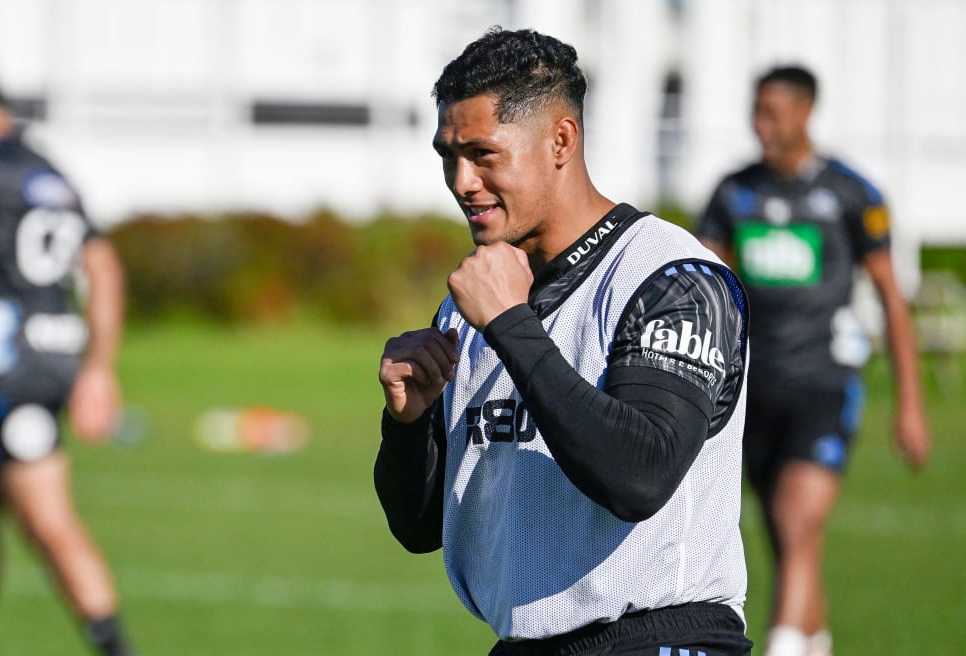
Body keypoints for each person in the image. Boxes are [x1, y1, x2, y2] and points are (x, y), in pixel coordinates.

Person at [374, 27, 753, 655]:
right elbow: (419, 527)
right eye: (448, 155)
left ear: (560, 140)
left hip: (658, 638)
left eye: (483, 154)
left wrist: (512, 328)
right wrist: (410, 424)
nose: (461, 180)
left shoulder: (671, 277)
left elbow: (639, 476)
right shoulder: (475, 301)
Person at [696, 65, 931, 656]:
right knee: (785, 539)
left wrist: (910, 404)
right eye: (756, 111)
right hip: (751, 391)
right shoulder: (733, 193)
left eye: (773, 112)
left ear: (805, 112)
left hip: (824, 385)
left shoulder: (850, 193)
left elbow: (892, 301)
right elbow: (701, 290)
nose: (761, 125)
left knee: (799, 525)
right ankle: (816, 642)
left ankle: (780, 646)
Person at [0, 54, 134, 655]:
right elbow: (102, 266)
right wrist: (98, 369)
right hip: (53, 357)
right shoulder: (46, 169)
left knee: (49, 525)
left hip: (13, 370)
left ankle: (116, 648)